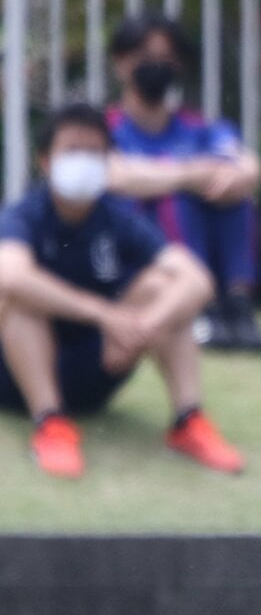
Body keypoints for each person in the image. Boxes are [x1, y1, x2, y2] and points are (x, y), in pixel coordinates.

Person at [0, 103, 244, 478]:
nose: (83, 161)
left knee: (166, 288)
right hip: (17, 379)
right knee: (16, 295)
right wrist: (104, 314)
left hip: (101, 365)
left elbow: (197, 279)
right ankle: (49, 423)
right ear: (45, 162)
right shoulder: (23, 215)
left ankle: (188, 420)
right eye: (72, 152)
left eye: (94, 152)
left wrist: (140, 327)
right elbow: (11, 276)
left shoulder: (120, 219)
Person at [105, 12, 261, 353]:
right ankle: (198, 309)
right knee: (176, 196)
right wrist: (188, 174)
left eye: (167, 59)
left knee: (232, 196)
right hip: (138, 254)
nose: (157, 67)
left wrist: (237, 175)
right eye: (145, 58)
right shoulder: (104, 128)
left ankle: (237, 305)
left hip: (202, 239)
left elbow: (247, 166)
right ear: (120, 63)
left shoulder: (199, 126)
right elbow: (116, 175)